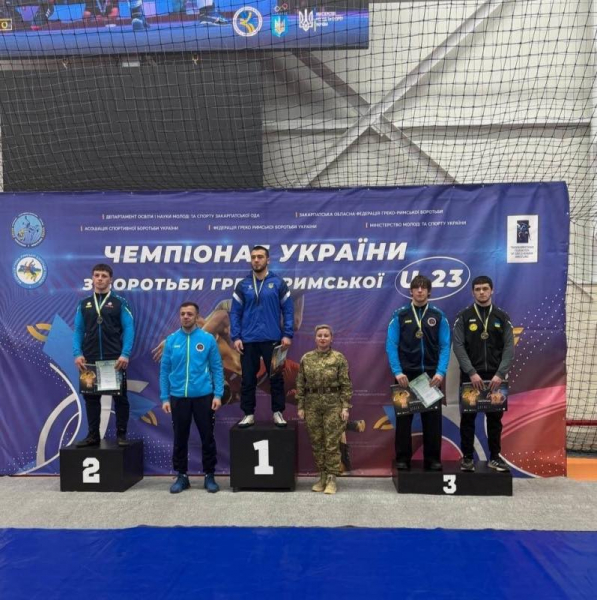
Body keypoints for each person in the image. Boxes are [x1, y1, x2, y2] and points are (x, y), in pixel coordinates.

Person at [385, 274, 450, 471]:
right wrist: (397, 371)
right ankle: (402, 458)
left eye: (423, 288)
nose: (420, 291)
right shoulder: (400, 315)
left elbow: (445, 346)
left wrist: (440, 372)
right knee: (403, 420)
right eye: (416, 287)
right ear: (411, 291)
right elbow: (391, 344)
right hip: (405, 376)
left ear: (429, 292)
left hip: (431, 377)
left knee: (432, 421)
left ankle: (433, 459)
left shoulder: (438, 315)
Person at [159, 302, 224, 494]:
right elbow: (164, 371)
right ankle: (182, 475)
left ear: (197, 317)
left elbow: (217, 368)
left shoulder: (207, 339)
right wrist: (165, 398)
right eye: (182, 314)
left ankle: (209, 475)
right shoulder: (171, 340)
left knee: (207, 437)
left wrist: (218, 394)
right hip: (178, 398)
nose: (186, 317)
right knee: (180, 438)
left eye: (189, 314)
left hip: (203, 396)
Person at [453, 275, 514, 472]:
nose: (481, 292)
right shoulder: (463, 316)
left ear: (492, 290)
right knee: (468, 418)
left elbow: (509, 347)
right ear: (472, 292)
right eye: (478, 289)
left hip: (496, 378)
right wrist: (471, 372)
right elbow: (458, 346)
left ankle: (495, 457)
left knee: (495, 419)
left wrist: (500, 373)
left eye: (485, 288)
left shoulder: (502, 317)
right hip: (471, 377)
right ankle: (467, 458)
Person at [230, 245, 294, 428]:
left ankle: (278, 413)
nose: (256, 260)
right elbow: (235, 313)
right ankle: (248, 414)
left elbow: (288, 310)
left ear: (268, 260)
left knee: (276, 377)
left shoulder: (278, 283)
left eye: (260, 257)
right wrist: (236, 337)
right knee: (248, 379)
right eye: (253, 257)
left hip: (273, 339)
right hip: (248, 341)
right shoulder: (243, 285)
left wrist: (287, 334)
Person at [73, 263, 135, 447]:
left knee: (120, 397)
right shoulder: (84, 304)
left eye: (104, 276)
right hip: (89, 359)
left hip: (114, 358)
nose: (100, 279)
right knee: (91, 398)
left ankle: (121, 435)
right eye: (97, 275)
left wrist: (125, 354)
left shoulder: (119, 302)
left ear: (110, 279)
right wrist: (77, 353)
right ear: (92, 278)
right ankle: (93, 435)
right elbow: (78, 330)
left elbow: (129, 328)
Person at [296, 325, 352, 494]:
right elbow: (300, 383)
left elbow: (346, 384)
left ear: (331, 338)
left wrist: (345, 406)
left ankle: (332, 479)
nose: (322, 338)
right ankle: (322, 476)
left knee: (331, 443)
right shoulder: (306, 358)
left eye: (326, 335)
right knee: (317, 442)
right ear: (315, 338)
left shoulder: (338, 358)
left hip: (333, 405)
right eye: (319, 335)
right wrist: (301, 406)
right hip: (312, 405)